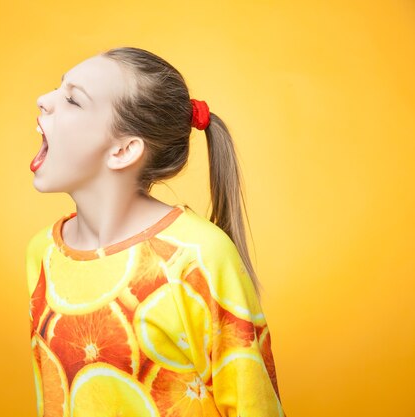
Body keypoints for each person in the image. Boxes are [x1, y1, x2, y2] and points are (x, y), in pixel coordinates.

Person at [26, 46, 286, 417]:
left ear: (123, 150)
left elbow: (253, 406)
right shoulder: (43, 253)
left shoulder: (200, 257)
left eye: (73, 100)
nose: (44, 100)